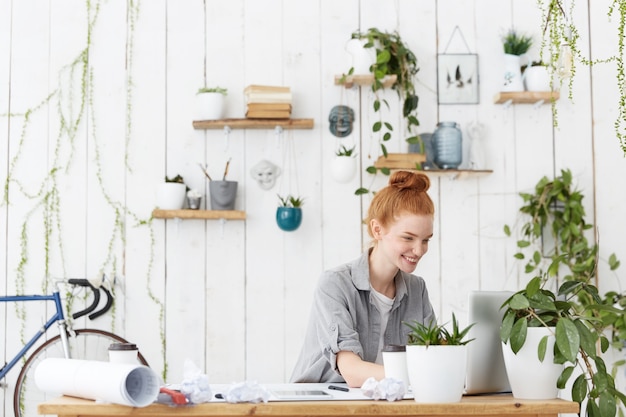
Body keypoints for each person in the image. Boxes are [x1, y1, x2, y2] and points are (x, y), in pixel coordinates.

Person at [290, 170, 436, 387]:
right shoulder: (335, 284)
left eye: (426, 240)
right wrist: (423, 375)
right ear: (377, 230)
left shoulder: (417, 289)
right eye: (408, 238)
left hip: (383, 402)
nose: (419, 250)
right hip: (322, 404)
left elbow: (431, 358)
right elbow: (351, 370)